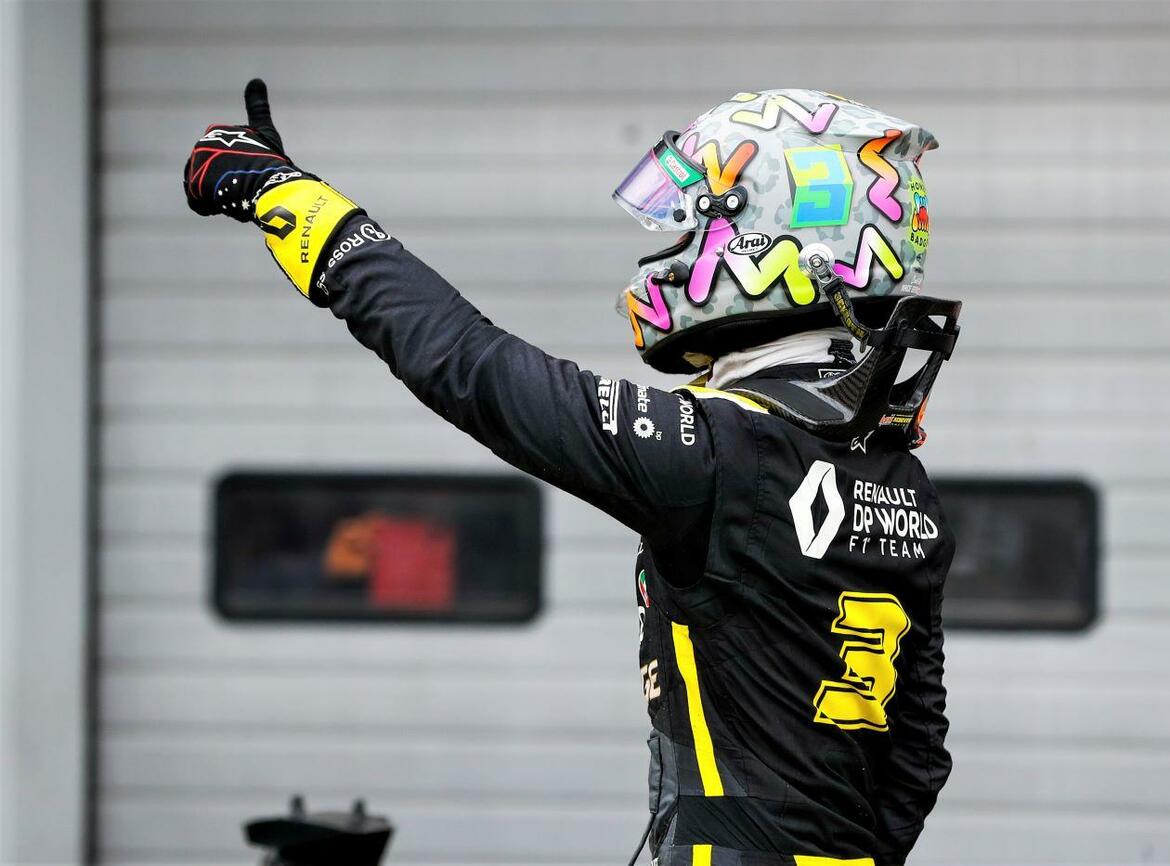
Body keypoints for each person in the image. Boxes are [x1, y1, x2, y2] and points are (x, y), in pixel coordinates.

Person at [184, 81, 961, 866]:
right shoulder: (902, 484)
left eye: (695, 221)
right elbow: (917, 763)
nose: (673, 246)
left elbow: (468, 365)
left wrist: (288, 198)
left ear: (779, 242)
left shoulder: (721, 458)